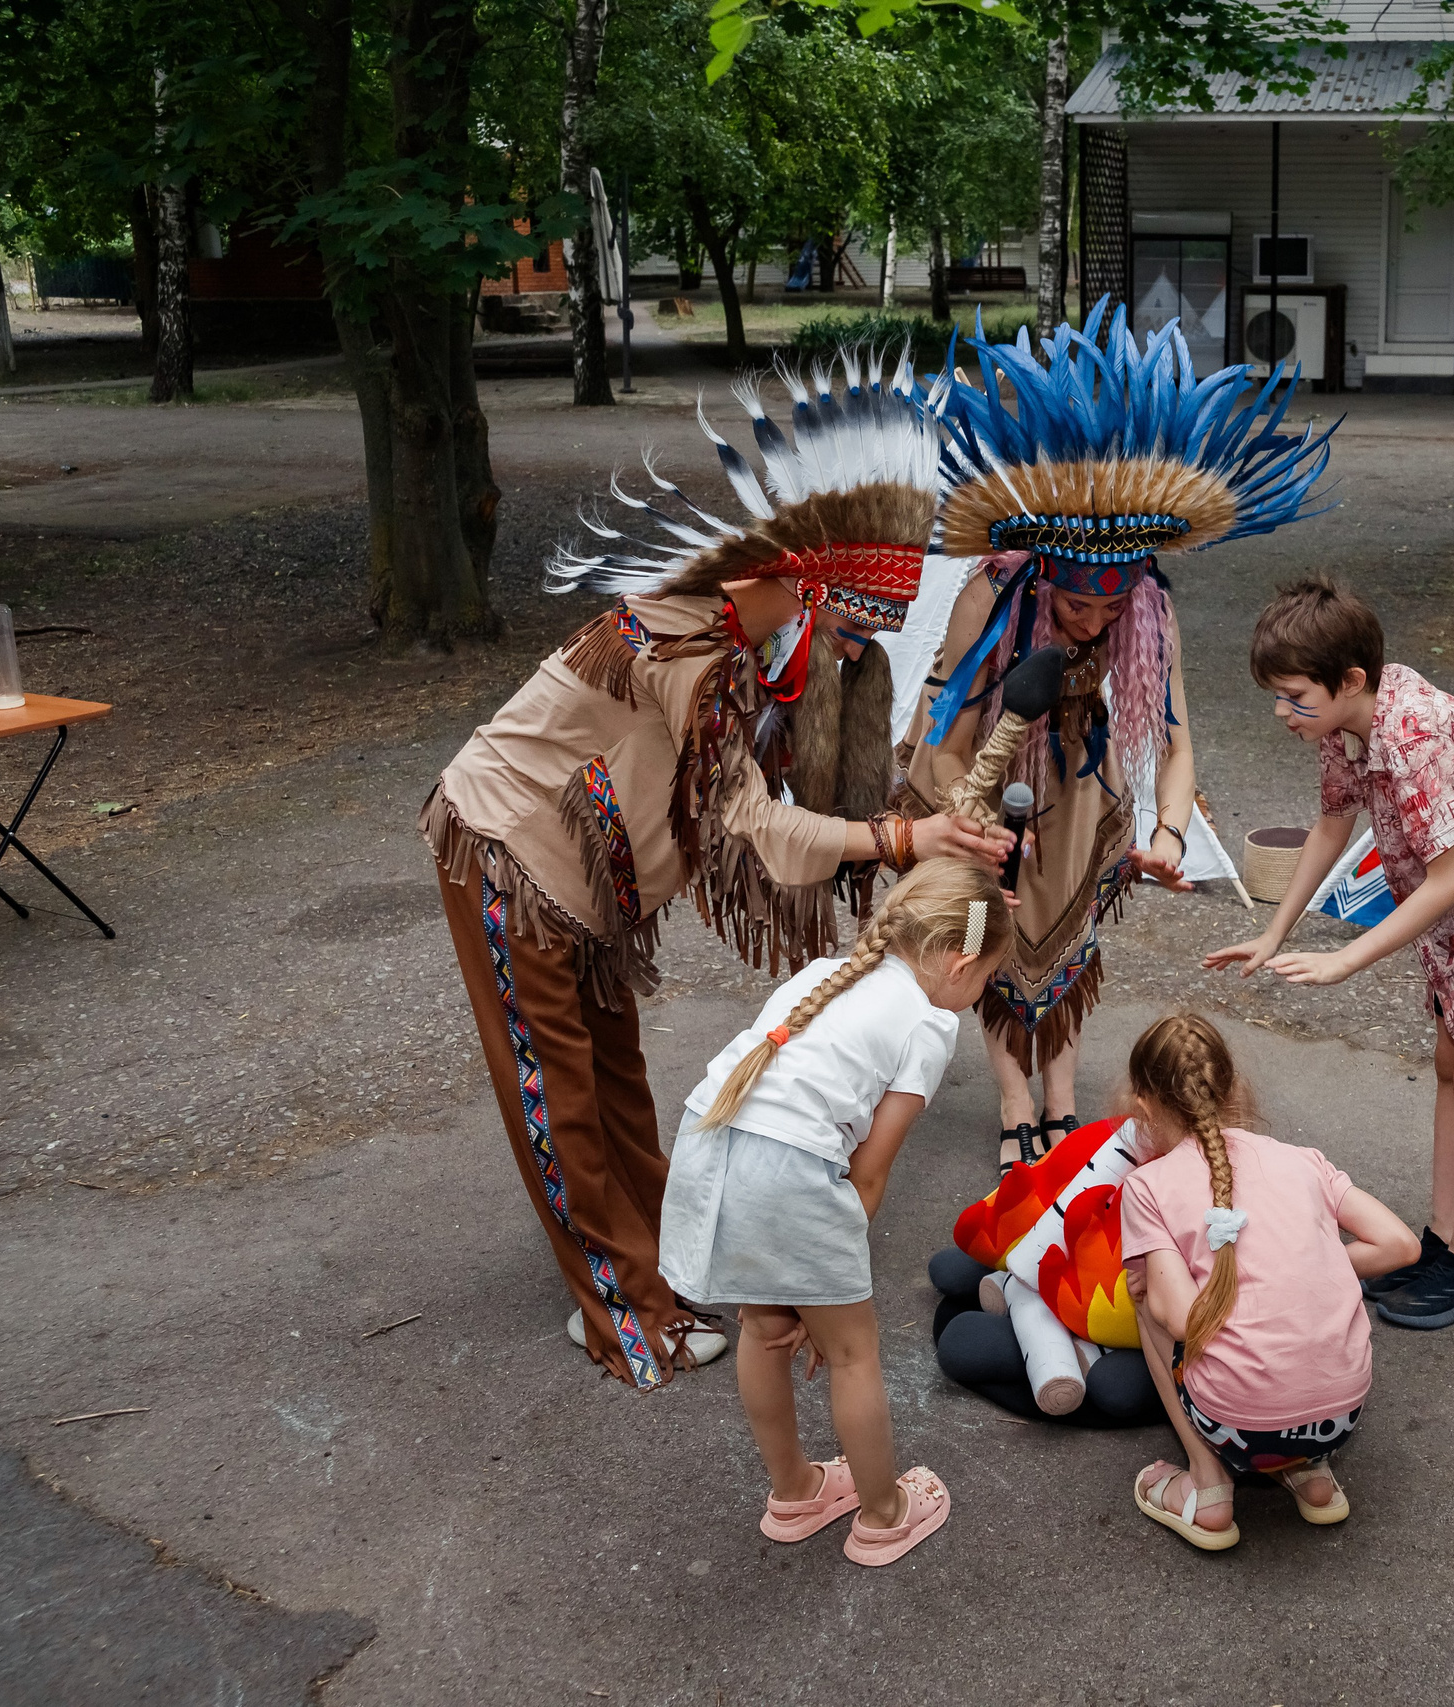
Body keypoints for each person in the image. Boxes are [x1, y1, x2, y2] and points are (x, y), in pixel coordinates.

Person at [423, 353, 1010, 1390]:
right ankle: (620, 1311)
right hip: (512, 861)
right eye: (845, 625)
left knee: (616, 1074)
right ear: (803, 585)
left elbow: (761, 807)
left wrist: (908, 830)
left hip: (585, 885)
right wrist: (897, 842)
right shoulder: (682, 641)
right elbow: (752, 825)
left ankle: (666, 1256)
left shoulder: (733, 641)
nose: (845, 649)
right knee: (558, 1092)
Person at [902, 299, 1336, 1177]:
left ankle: (1059, 1094)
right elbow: (944, 731)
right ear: (1043, 579)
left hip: (1082, 798)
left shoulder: (1151, 610)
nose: (1095, 621)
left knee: (1067, 942)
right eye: (1076, 606)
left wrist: (1169, 833)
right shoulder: (991, 597)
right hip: (984, 787)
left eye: (1111, 606)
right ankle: (1013, 1096)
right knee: (996, 937)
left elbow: (1175, 744)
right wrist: (965, 823)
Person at [1207, 581, 1454, 1331]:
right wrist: (1276, 932)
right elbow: (1332, 823)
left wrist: (1346, 959)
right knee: (1452, 1071)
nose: (1281, 713)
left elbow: (1448, 880)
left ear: (1349, 679)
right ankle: (1443, 1240)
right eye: (1277, 696)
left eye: (1293, 696)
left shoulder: (1414, 736)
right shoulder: (1343, 726)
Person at [660, 858, 1008, 1566]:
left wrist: (802, 1295)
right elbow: (870, 1172)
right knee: (851, 1349)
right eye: (985, 979)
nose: (976, 996)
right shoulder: (929, 1022)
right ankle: (884, 1514)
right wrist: (828, 1292)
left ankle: (795, 1492)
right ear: (958, 962)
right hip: (789, 1172)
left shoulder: (824, 972)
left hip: (712, 1144)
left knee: (762, 1326)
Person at [1115, 1013, 1419, 1550]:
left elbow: (1180, 1317)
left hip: (1240, 1425)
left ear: (1142, 1102)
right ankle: (1314, 1476)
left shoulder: (1146, 1186)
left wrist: (1155, 1283)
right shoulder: (1303, 1160)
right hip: (1342, 1416)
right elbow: (1400, 1244)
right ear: (1231, 1087)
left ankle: (1207, 1490)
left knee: (1144, 1300)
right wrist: (1307, 1268)